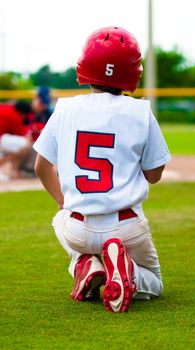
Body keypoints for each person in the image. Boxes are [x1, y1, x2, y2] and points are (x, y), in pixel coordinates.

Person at [33, 26, 171, 313]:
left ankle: (84, 263)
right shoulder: (140, 111)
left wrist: (64, 201)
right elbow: (154, 175)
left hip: (78, 226)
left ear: (85, 66)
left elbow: (41, 166)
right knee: (155, 284)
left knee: (61, 218)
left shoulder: (65, 108)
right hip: (126, 226)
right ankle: (124, 271)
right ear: (133, 71)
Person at [0, 101, 33, 179]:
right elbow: (26, 137)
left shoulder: (7, 107)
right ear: (23, 113)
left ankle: (13, 171)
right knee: (26, 144)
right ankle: (12, 169)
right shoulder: (15, 116)